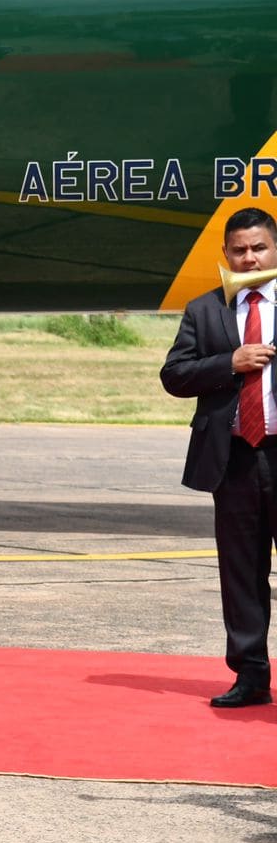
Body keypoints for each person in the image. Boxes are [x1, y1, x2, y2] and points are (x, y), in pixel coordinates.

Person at [161, 207, 277, 709]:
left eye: (259, 248)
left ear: (275, 249)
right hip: (234, 459)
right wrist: (229, 362)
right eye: (239, 250)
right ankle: (250, 676)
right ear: (225, 254)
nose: (250, 258)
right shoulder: (204, 309)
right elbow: (175, 375)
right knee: (241, 572)